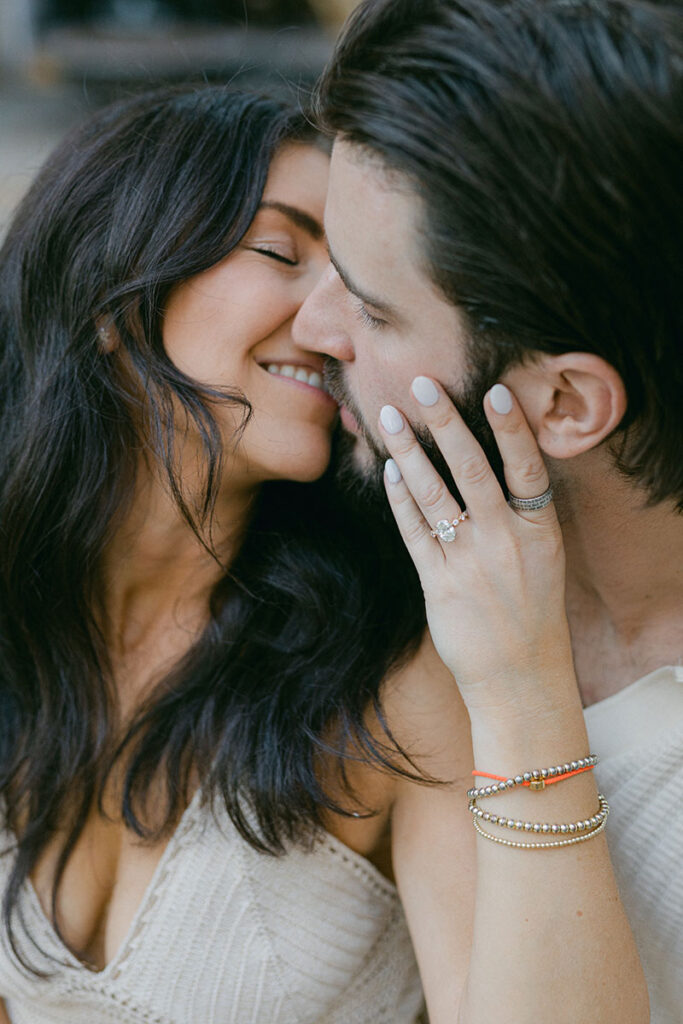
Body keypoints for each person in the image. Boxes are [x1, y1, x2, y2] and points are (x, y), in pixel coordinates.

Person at [0, 84, 440, 1023]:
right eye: (282, 251)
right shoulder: (22, 637)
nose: (336, 325)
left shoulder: (391, 676)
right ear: (111, 294)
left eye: (360, 284)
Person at [293, 0, 682, 1021]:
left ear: (561, 403)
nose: (311, 324)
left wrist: (517, 690)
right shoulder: (336, 536)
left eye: (373, 310)